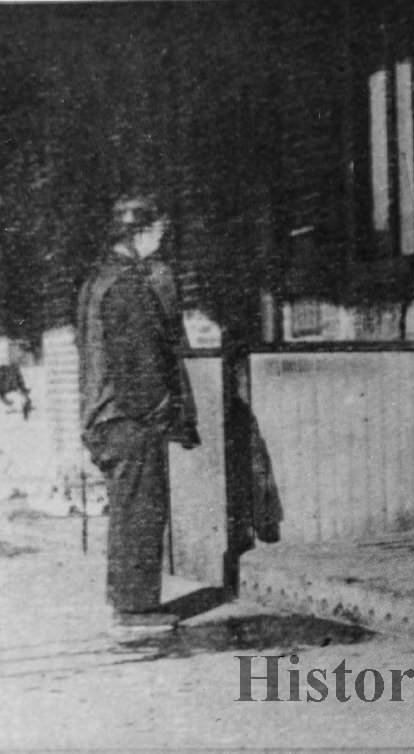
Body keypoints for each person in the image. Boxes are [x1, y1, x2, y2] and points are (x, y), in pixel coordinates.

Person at [77, 190, 200, 630]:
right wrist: (162, 414)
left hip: (107, 417)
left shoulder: (100, 280)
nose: (162, 242)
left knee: (128, 511)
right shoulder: (128, 284)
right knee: (140, 512)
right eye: (159, 232)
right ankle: (135, 609)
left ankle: (127, 601)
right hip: (127, 420)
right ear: (141, 232)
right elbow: (139, 365)